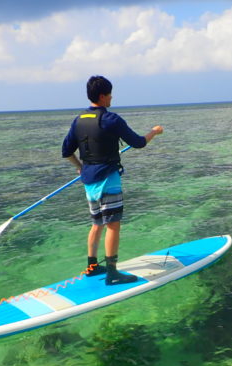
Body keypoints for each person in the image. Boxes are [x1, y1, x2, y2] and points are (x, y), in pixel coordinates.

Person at [62, 75, 164, 285]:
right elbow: (138, 143)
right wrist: (154, 132)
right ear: (102, 96)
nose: (111, 98)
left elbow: (66, 151)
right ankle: (112, 273)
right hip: (108, 178)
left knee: (97, 223)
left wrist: (80, 168)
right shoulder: (111, 119)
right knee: (113, 225)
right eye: (109, 94)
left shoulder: (78, 120)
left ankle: (91, 267)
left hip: (89, 180)